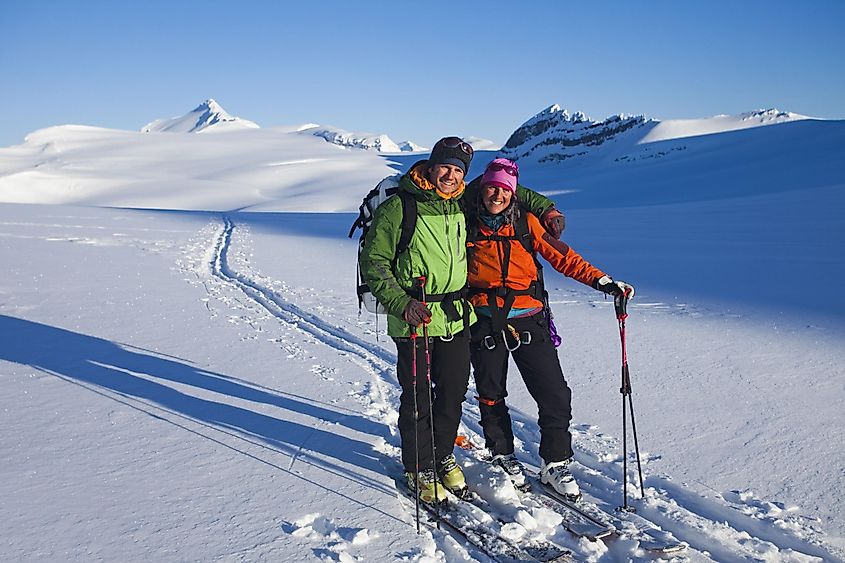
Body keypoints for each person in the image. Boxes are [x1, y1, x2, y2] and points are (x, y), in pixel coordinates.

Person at [359, 139, 561, 504]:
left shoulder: (459, 203)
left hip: (455, 316)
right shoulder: (399, 207)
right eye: (445, 168)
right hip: (415, 316)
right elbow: (374, 262)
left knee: (452, 393)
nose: (451, 176)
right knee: (418, 396)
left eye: (459, 171)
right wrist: (402, 303)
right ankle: (419, 467)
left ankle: (441, 455)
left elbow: (508, 189)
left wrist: (546, 209)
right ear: (431, 166)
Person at [466, 157, 634, 499]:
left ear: (513, 194)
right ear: (482, 189)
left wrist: (603, 281)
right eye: (491, 188)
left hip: (529, 315)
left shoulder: (528, 223)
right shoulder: (464, 223)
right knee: (490, 392)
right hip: (482, 317)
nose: (496, 195)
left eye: (504, 190)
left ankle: (555, 462)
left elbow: (564, 257)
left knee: (555, 394)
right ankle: (502, 455)